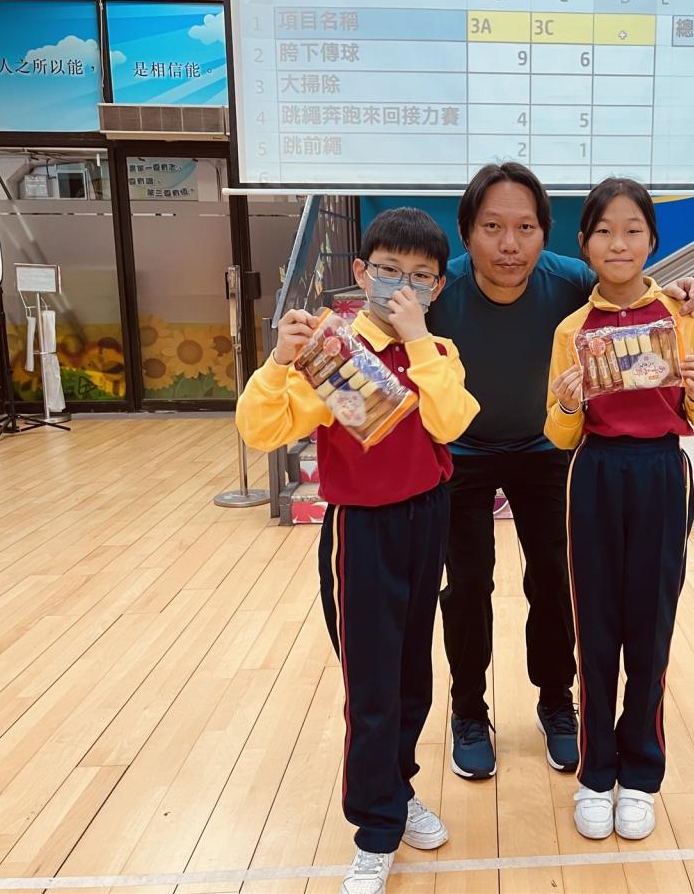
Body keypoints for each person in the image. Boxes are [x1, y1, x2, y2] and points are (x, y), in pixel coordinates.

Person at [427, 163, 694, 780]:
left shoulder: (571, 282)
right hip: (463, 451)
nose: (509, 244)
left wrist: (685, 293)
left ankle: (556, 699)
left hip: (544, 447)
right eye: (492, 227)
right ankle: (468, 708)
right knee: (466, 582)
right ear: (466, 233)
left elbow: (629, 290)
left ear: (546, 234)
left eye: (525, 227)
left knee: (555, 576)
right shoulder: (442, 292)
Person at [236, 208, 478, 894]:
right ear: (361, 273)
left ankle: (397, 790)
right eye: (390, 270)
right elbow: (262, 430)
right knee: (372, 685)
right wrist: (279, 361)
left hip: (427, 520)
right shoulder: (332, 350)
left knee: (413, 677)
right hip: (362, 531)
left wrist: (419, 340)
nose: (405, 285)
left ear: (438, 286)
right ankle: (375, 830)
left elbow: (451, 423)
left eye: (422, 276)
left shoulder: (438, 351)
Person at [543, 177, 694, 841]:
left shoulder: (679, 314)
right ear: (584, 242)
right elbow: (560, 433)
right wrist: (568, 401)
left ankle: (641, 775)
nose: (618, 244)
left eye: (632, 231)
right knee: (595, 627)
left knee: (651, 627)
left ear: (652, 240)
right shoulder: (572, 329)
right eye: (603, 231)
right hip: (594, 472)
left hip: (661, 472)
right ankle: (596, 773)